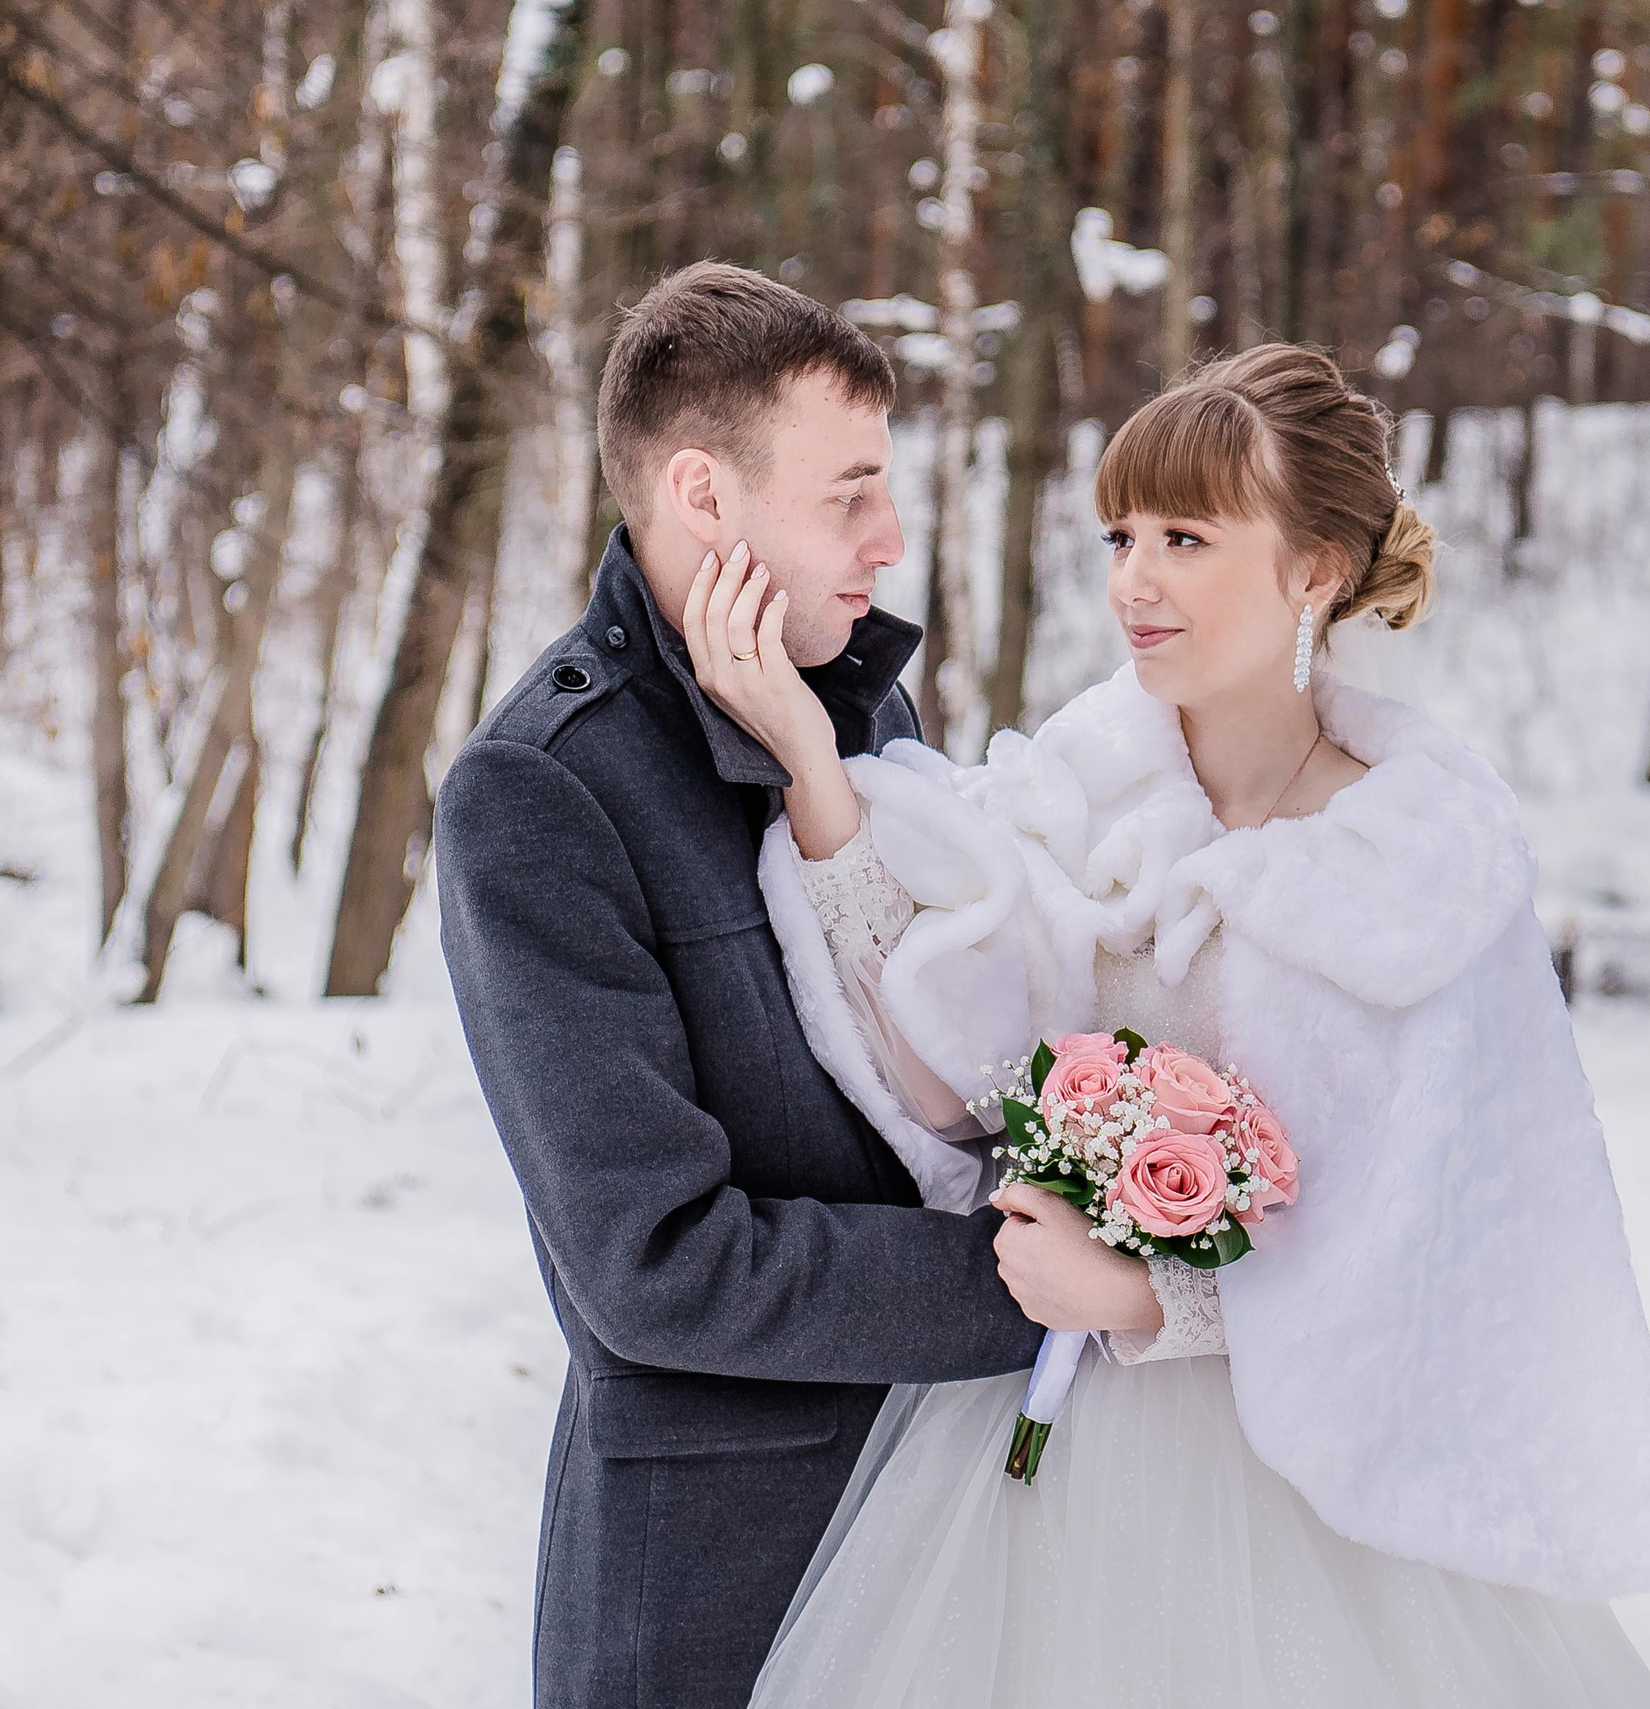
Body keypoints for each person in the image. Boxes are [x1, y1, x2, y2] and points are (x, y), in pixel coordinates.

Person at [687, 344, 1650, 1707]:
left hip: (1315, 1495)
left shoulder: (1421, 867)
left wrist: (1154, 1294)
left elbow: (1443, 1237)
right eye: (1121, 535)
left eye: (1186, 537)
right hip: (1045, 1452)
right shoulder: (1081, 793)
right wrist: (813, 766)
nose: (1134, 582)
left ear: (1316, 568)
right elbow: (949, 1069)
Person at [435, 262, 1115, 1709]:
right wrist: (1024, 1285)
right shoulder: (545, 791)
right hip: (726, 1576)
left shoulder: (861, 713)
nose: (892, 537)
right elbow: (655, 1264)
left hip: (955, 1517)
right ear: (703, 495)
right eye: (848, 493)